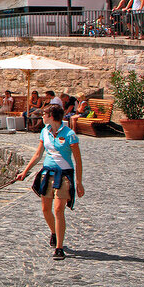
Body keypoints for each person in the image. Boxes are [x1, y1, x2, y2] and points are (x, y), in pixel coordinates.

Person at [16, 104, 84, 259]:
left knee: (59, 209)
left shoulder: (70, 135)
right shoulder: (44, 132)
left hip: (64, 175)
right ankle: (54, 232)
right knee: (45, 210)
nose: (42, 116)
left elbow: (78, 161)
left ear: (52, 116)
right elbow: (38, 154)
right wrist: (25, 172)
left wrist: (79, 182)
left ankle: (59, 248)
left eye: (44, 114)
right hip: (47, 174)